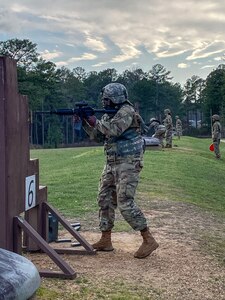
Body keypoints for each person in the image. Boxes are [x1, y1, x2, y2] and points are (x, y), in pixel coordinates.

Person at [82, 82, 159, 259]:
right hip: (112, 162)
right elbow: (98, 136)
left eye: (106, 99)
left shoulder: (126, 111)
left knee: (125, 201)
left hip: (128, 162)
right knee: (104, 198)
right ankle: (106, 239)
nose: (104, 102)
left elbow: (114, 130)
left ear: (115, 98)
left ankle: (148, 239)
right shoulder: (111, 114)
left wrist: (94, 119)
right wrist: (86, 122)